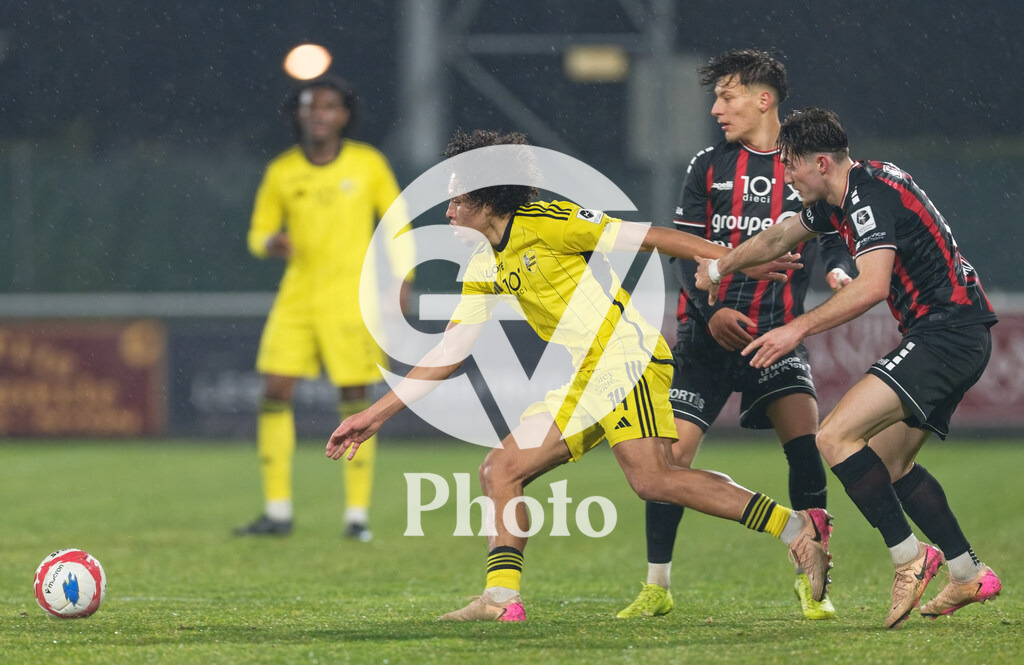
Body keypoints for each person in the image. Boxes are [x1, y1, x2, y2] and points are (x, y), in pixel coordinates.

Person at [326, 128, 834, 622]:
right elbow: (452, 348)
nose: (448, 209)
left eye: (457, 198)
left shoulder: (550, 221)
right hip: (588, 374)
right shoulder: (484, 260)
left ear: (486, 199)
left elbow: (651, 236)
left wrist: (732, 263)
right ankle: (501, 597)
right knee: (502, 470)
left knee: (653, 478)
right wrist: (374, 414)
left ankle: (796, 530)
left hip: (624, 358)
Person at [695, 107, 1001, 629]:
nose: (786, 175)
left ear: (819, 163)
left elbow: (873, 285)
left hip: (946, 333)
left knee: (833, 437)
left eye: (791, 165)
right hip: (955, 333)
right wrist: (720, 266)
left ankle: (910, 558)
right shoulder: (845, 194)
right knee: (890, 462)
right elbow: (777, 238)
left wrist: (796, 328)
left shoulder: (865, 195)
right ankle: (968, 571)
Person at [617, 49, 854, 622]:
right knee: (668, 462)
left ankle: (812, 580)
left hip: (774, 335)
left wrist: (838, 267)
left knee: (806, 450)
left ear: (763, 99)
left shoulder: (807, 167)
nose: (717, 108)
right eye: (717, 97)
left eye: (727, 96)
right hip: (703, 335)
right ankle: (657, 585)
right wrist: (710, 310)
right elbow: (682, 252)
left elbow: (828, 231)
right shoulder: (708, 165)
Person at [236, 75, 414, 541]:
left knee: (356, 402)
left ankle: (356, 516)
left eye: (330, 106)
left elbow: (397, 223)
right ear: (299, 114)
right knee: (274, 391)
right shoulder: (282, 171)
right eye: (311, 106)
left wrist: (403, 280)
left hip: (349, 303)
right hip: (296, 301)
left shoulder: (368, 163)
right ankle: (277, 511)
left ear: (344, 115)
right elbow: (256, 234)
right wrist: (271, 241)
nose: (320, 114)